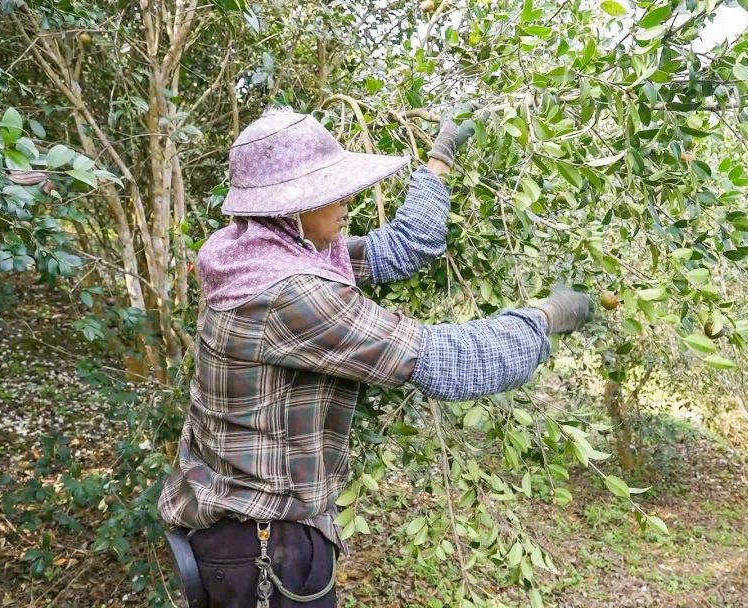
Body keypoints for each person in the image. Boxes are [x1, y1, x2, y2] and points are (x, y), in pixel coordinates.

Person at [158, 106, 593, 607]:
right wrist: (544, 317)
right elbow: (449, 362)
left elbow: (406, 246)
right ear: (287, 207)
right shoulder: (291, 294)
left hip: (241, 533)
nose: (347, 199)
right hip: (262, 546)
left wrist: (440, 159)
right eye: (329, 191)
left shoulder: (251, 252)